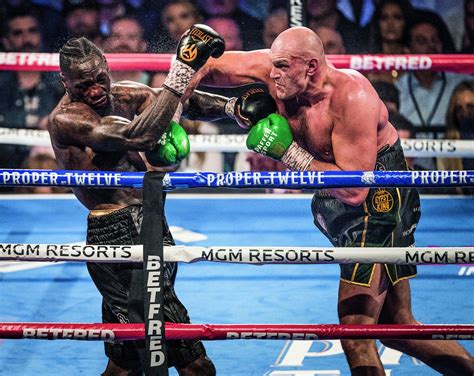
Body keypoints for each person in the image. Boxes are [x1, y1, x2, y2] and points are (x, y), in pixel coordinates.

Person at [186, 26, 474, 375]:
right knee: (399, 328)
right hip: (343, 194)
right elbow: (208, 64)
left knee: (355, 332)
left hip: (377, 196)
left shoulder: (351, 97)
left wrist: (288, 153)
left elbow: (354, 190)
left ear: (310, 67)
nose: (271, 74)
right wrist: (178, 86)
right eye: (273, 64)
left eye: (282, 67)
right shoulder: (275, 68)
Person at [48, 25, 226, 375]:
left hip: (148, 217)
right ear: (65, 81)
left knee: (124, 363)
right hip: (117, 231)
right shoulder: (68, 119)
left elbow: (177, 100)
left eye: (100, 78)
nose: (97, 90)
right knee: (196, 365)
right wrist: (181, 69)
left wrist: (234, 108)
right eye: (84, 85)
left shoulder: (124, 95)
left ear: (107, 66)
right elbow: (138, 134)